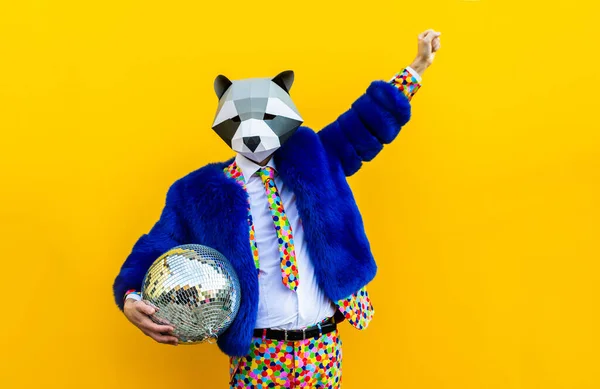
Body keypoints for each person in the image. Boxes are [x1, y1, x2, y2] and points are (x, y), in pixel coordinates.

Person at [113, 29, 442, 388]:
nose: (254, 131)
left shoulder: (315, 156)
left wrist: (417, 67)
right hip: (258, 354)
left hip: (323, 347)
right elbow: (156, 246)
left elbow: (364, 123)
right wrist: (130, 296)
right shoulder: (198, 192)